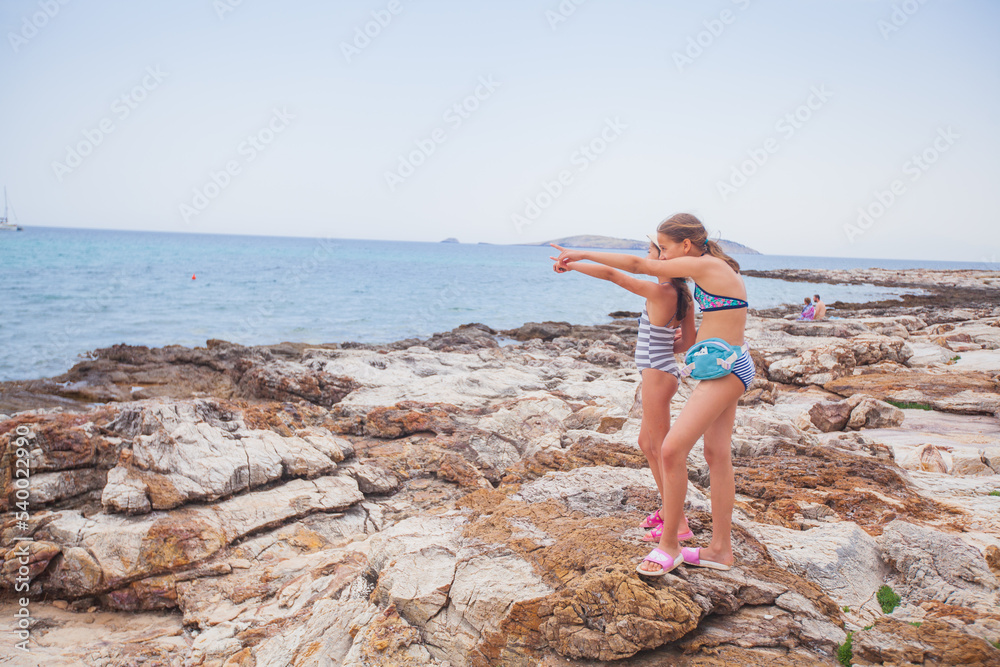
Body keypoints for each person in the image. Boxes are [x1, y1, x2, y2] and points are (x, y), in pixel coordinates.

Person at [551, 213, 752, 576]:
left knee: (672, 449)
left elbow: (632, 265)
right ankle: (721, 550)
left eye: (665, 248)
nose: (661, 256)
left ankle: (670, 544)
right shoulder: (712, 268)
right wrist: (691, 341)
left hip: (727, 369)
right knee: (716, 453)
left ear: (685, 246)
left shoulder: (704, 265)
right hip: (730, 364)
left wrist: (577, 254)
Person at [552, 234, 697, 545]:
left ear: (662, 259)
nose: (646, 257)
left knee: (660, 449)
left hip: (658, 376)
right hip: (661, 373)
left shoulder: (661, 292)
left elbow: (612, 274)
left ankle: (679, 522)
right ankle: (669, 508)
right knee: (647, 443)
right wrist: (669, 344)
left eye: (649, 252)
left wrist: (574, 263)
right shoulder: (682, 295)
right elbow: (689, 341)